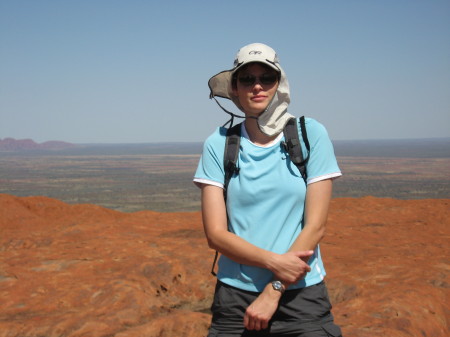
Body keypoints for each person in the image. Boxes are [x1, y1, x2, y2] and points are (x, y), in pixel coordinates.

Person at [193, 43, 343, 337]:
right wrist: (274, 262)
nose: (257, 86)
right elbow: (216, 235)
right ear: (235, 88)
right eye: (247, 79)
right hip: (236, 298)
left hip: (301, 295)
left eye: (267, 78)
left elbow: (316, 225)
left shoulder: (308, 134)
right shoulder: (220, 143)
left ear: (279, 83)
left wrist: (275, 288)